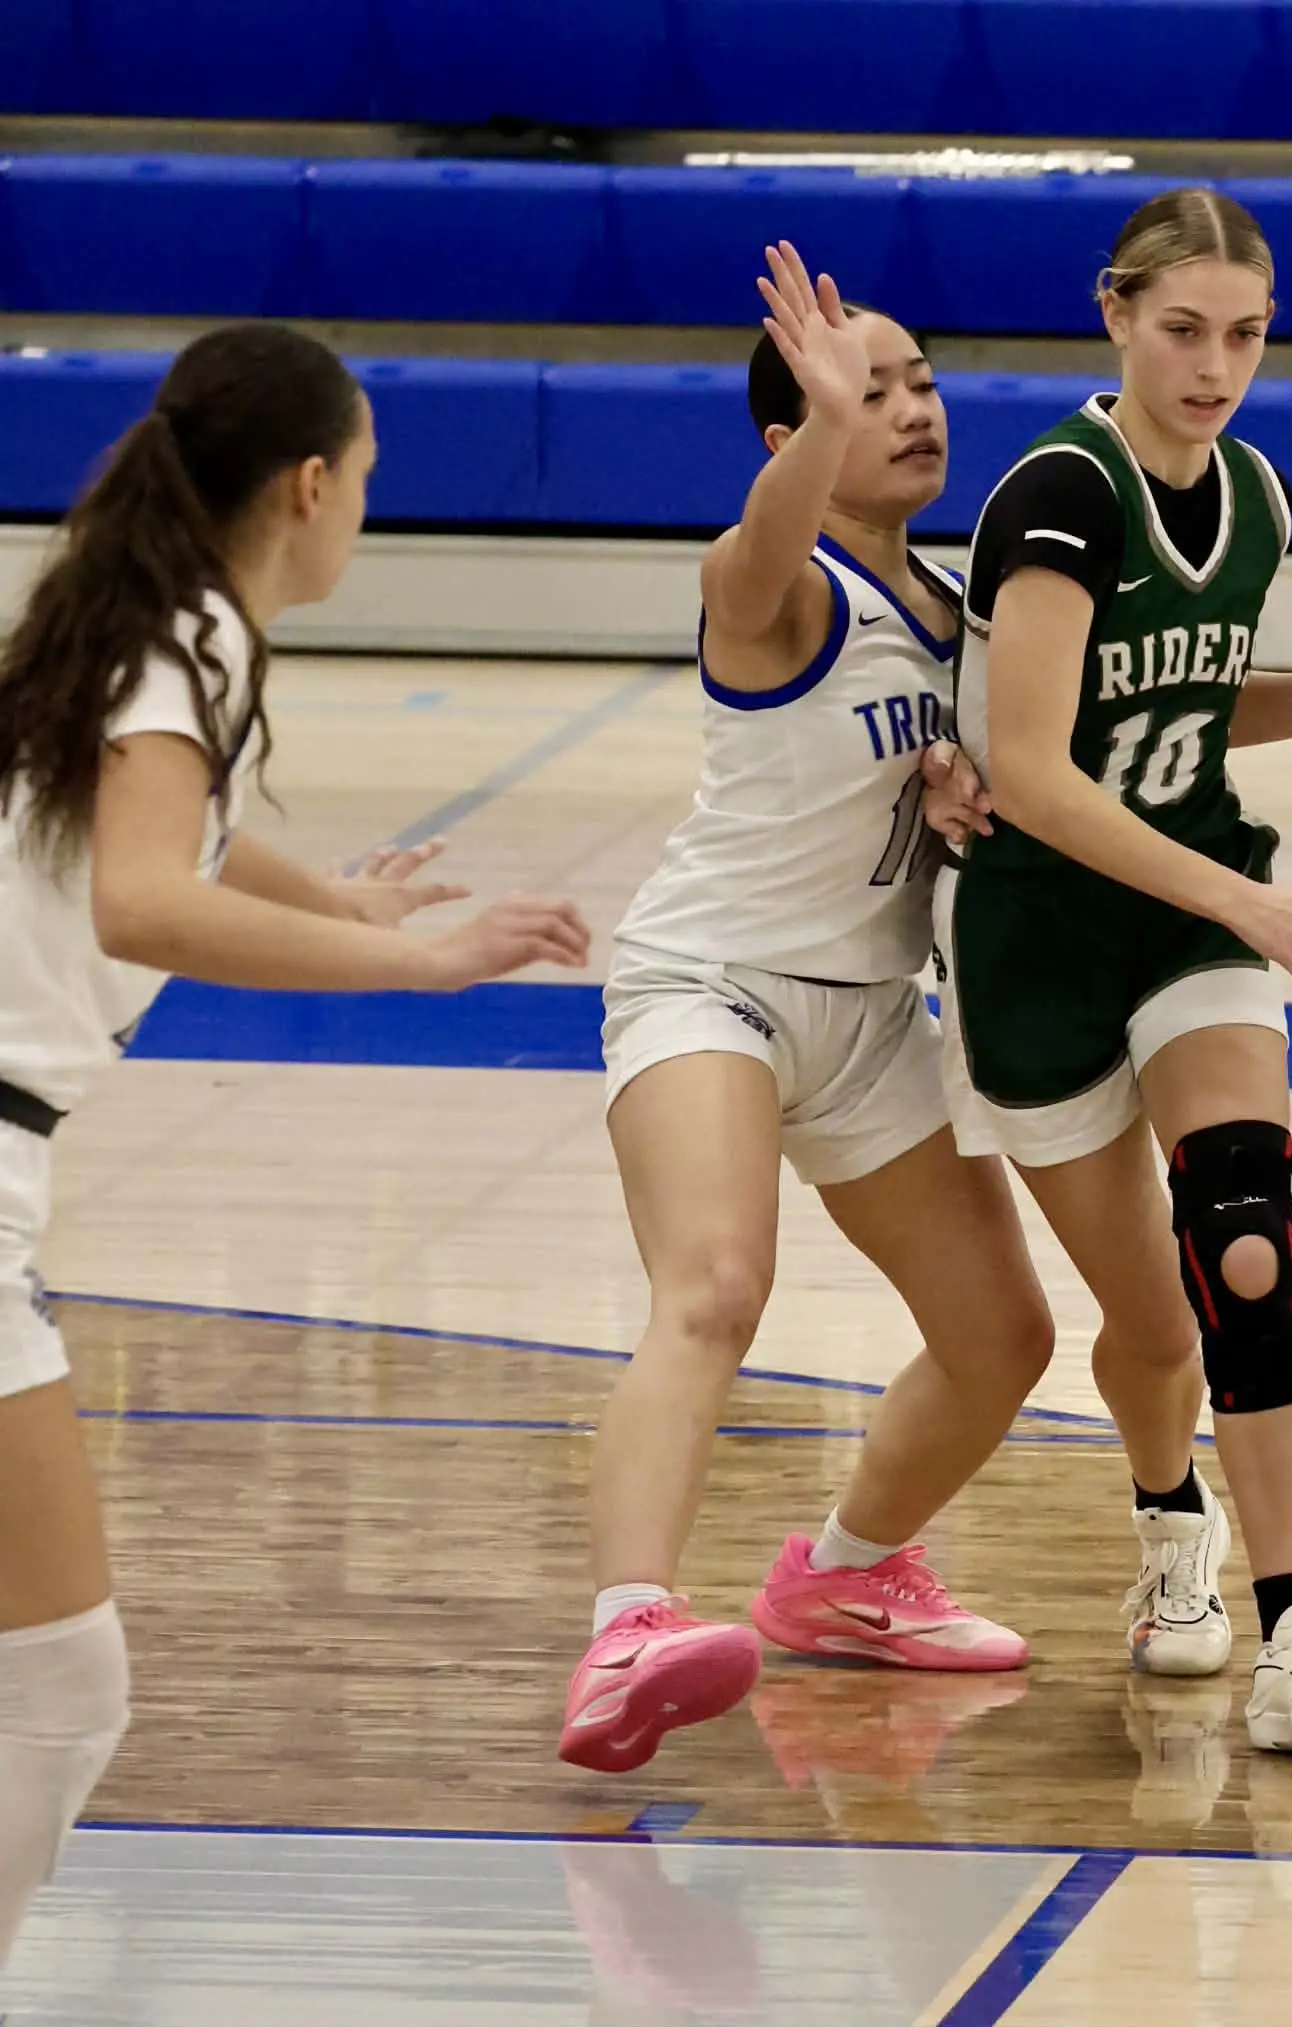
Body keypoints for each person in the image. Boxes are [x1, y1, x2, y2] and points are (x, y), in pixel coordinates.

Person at [0, 324, 592, 1964]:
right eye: (370, 480)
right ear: (312, 484)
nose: (368, 511)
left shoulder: (141, 621)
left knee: (49, 1677)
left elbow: (179, 828)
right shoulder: (180, 639)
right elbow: (139, 892)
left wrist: (336, 898)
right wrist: (419, 961)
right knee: (63, 1683)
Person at [561, 245, 1080, 1774]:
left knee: (1003, 1336)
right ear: (790, 436)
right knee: (716, 1286)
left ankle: (846, 1574)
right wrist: (818, 427)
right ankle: (627, 1626)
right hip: (711, 982)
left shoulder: (964, 607)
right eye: (867, 390)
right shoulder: (772, 584)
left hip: (868, 1015)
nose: (911, 407)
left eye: (920, 381)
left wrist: (963, 794)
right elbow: (753, 554)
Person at [938, 188, 1292, 1752]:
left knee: (1246, 1242)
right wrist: (1251, 900)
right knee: (1150, 1325)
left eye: (1247, 335)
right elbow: (1030, 769)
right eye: (1186, 330)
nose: (1217, 367)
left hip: (1194, 916)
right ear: (1116, 314)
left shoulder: (1255, 492)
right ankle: (1167, 1520)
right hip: (1039, 940)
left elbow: (1198, 705)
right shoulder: (1060, 496)